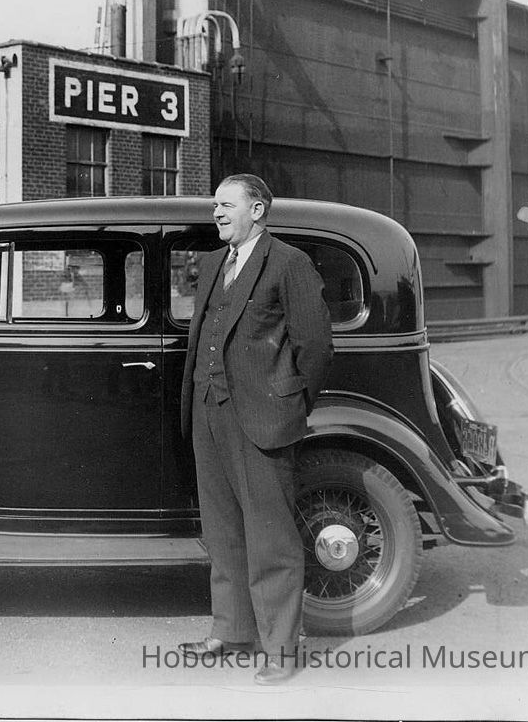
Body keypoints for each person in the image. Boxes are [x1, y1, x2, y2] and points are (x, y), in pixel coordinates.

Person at [178, 174, 333, 685]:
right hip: (209, 411)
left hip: (263, 417)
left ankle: (282, 651)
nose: (216, 213)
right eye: (215, 206)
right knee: (222, 531)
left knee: (271, 538)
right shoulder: (213, 263)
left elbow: (315, 347)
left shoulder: (289, 263)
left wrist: (288, 404)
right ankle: (233, 629)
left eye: (226, 205)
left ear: (259, 210)